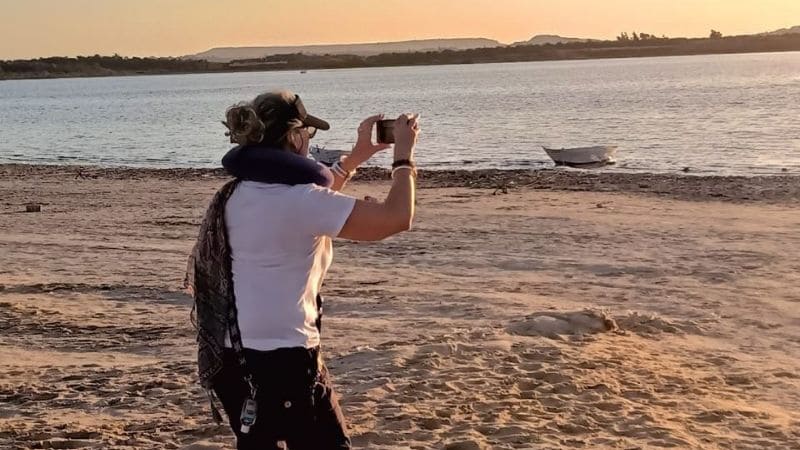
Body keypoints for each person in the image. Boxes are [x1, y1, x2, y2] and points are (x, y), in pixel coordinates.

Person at [185, 89, 419, 449]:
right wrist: (403, 157)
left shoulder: (236, 195)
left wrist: (356, 157)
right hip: (285, 359)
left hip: (234, 355)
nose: (309, 142)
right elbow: (396, 218)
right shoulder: (302, 202)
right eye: (307, 135)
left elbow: (310, 208)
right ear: (294, 138)